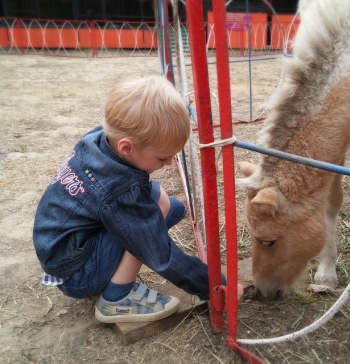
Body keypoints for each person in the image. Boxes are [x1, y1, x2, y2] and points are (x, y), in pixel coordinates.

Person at [33, 75, 244, 324]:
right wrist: (215, 285)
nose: (167, 165)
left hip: (65, 251)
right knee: (150, 223)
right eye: (162, 158)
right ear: (126, 147)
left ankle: (118, 263)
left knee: (168, 207)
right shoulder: (118, 189)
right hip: (78, 275)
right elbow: (160, 256)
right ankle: (116, 298)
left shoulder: (98, 139)